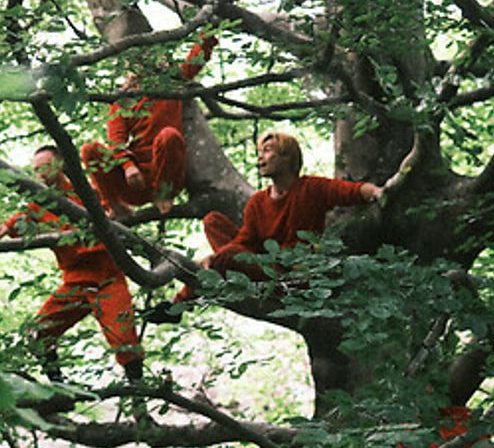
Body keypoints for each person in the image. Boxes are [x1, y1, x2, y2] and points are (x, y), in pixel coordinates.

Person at [148, 129, 381, 319]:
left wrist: (379, 192)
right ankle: (215, 270)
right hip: (258, 265)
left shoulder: (311, 188)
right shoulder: (258, 201)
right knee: (213, 222)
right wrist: (219, 258)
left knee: (227, 257)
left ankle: (179, 305)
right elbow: (244, 242)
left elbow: (351, 191)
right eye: (259, 151)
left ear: (288, 157)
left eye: (268, 151)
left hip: (288, 275)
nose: (260, 157)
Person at [0, 146, 143, 382]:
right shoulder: (37, 205)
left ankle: (140, 410)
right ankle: (59, 388)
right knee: (38, 333)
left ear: (60, 164)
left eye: (45, 166)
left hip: (108, 278)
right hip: (75, 281)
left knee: (127, 344)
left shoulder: (88, 192)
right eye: (36, 170)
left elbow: (122, 213)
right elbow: (3, 228)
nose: (41, 173)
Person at [80, 35, 215, 218]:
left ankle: (163, 195)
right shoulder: (122, 100)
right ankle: (115, 206)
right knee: (89, 150)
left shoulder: (171, 83)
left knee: (169, 135)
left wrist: (208, 31)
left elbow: (197, 58)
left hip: (165, 175)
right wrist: (128, 166)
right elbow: (116, 141)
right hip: (133, 181)